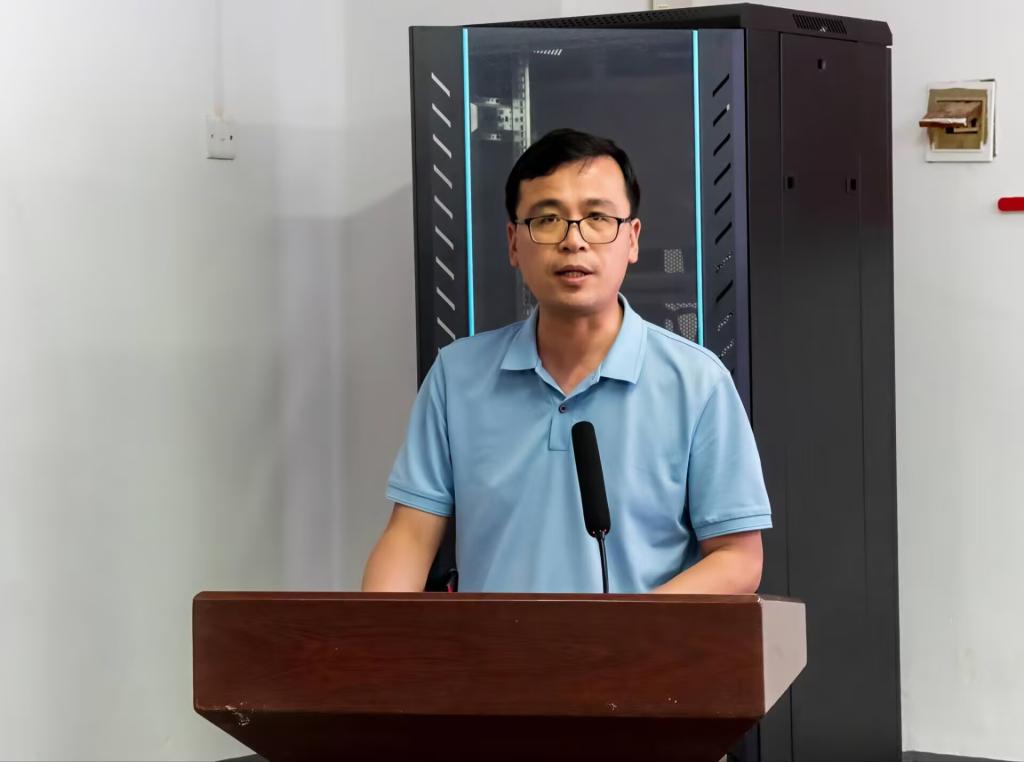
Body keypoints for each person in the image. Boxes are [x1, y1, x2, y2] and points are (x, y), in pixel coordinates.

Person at [362, 128, 770, 594]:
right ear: (514, 243)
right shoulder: (457, 376)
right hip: (491, 644)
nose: (573, 241)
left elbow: (738, 557)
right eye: (547, 219)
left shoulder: (696, 382)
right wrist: (371, 636)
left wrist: (629, 629)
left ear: (632, 239)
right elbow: (410, 538)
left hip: (637, 644)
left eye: (597, 218)